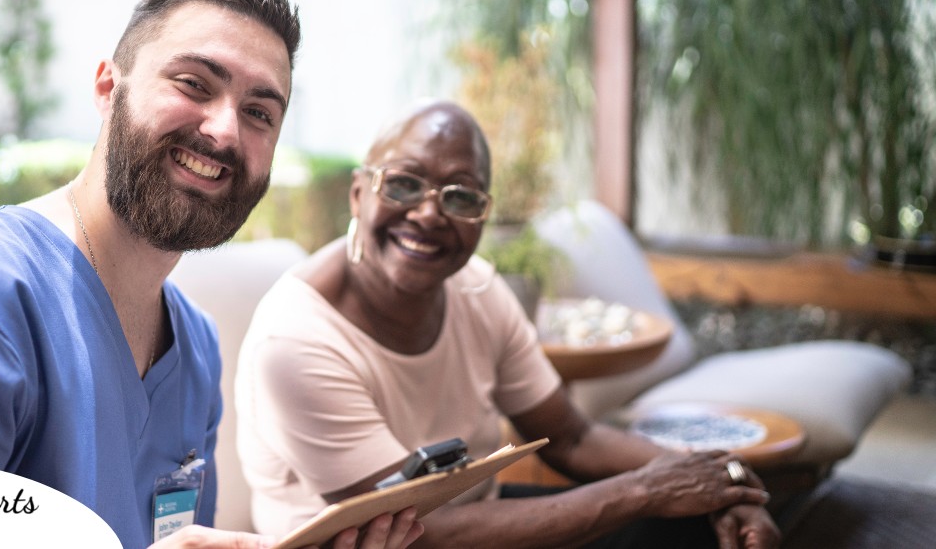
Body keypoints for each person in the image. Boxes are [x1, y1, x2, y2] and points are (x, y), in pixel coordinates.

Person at [0, 0, 422, 549]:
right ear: (107, 88)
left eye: (259, 112)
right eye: (193, 84)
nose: (226, 130)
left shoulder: (195, 350)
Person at [235, 99, 781, 548]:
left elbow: (572, 437)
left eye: (460, 196)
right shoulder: (297, 340)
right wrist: (645, 491)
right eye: (403, 184)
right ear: (359, 193)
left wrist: (719, 484)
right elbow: (413, 530)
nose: (429, 213)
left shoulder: (477, 288)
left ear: (483, 215)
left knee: (694, 529)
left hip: (474, 523)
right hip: (391, 543)